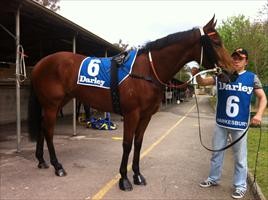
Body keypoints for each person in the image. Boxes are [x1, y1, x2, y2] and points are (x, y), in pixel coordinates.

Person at [190, 48, 267, 199]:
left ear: (246, 61)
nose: (236, 60)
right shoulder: (222, 74)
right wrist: (197, 74)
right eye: (234, 58)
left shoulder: (252, 77)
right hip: (221, 122)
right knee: (216, 153)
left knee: (240, 157)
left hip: (239, 125)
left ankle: (240, 186)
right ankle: (213, 179)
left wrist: (258, 114)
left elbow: (263, 98)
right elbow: (203, 82)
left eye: (240, 58)